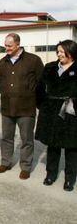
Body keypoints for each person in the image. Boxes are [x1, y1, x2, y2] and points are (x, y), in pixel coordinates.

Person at [0, 33, 44, 180]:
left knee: (27, 140)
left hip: (26, 108)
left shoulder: (33, 60)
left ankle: (26, 167)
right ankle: (5, 162)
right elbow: (2, 83)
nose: (7, 48)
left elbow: (41, 83)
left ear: (18, 44)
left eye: (9, 46)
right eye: (5, 45)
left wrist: (38, 103)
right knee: (6, 138)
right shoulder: (3, 62)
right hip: (7, 108)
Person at [35, 40, 77, 191]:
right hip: (52, 112)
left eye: (62, 51)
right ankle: (51, 174)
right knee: (53, 145)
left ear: (71, 52)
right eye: (57, 51)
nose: (59, 54)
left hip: (72, 113)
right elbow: (39, 88)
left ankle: (70, 179)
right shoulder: (50, 67)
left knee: (72, 148)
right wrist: (43, 105)